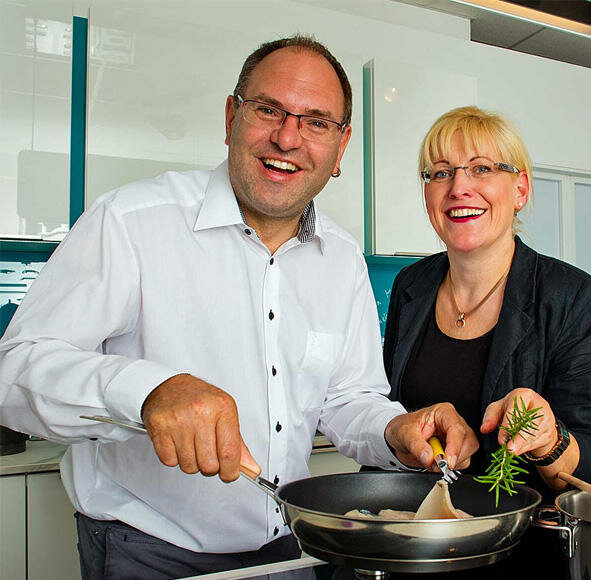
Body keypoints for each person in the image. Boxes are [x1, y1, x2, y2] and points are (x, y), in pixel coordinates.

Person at [0, 37, 477, 579]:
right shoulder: (131, 221)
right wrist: (148, 391)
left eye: (317, 122)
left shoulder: (342, 259)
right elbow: (13, 370)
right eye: (269, 110)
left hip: (291, 545)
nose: (288, 138)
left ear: (340, 148)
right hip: (148, 549)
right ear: (232, 117)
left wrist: (396, 430)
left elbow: (349, 397)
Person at [383, 105, 591, 509]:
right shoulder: (411, 286)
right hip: (415, 524)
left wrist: (549, 438)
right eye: (440, 173)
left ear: (520, 190)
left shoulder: (574, 297)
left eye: (482, 169)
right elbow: (387, 407)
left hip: (519, 534)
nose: (458, 187)